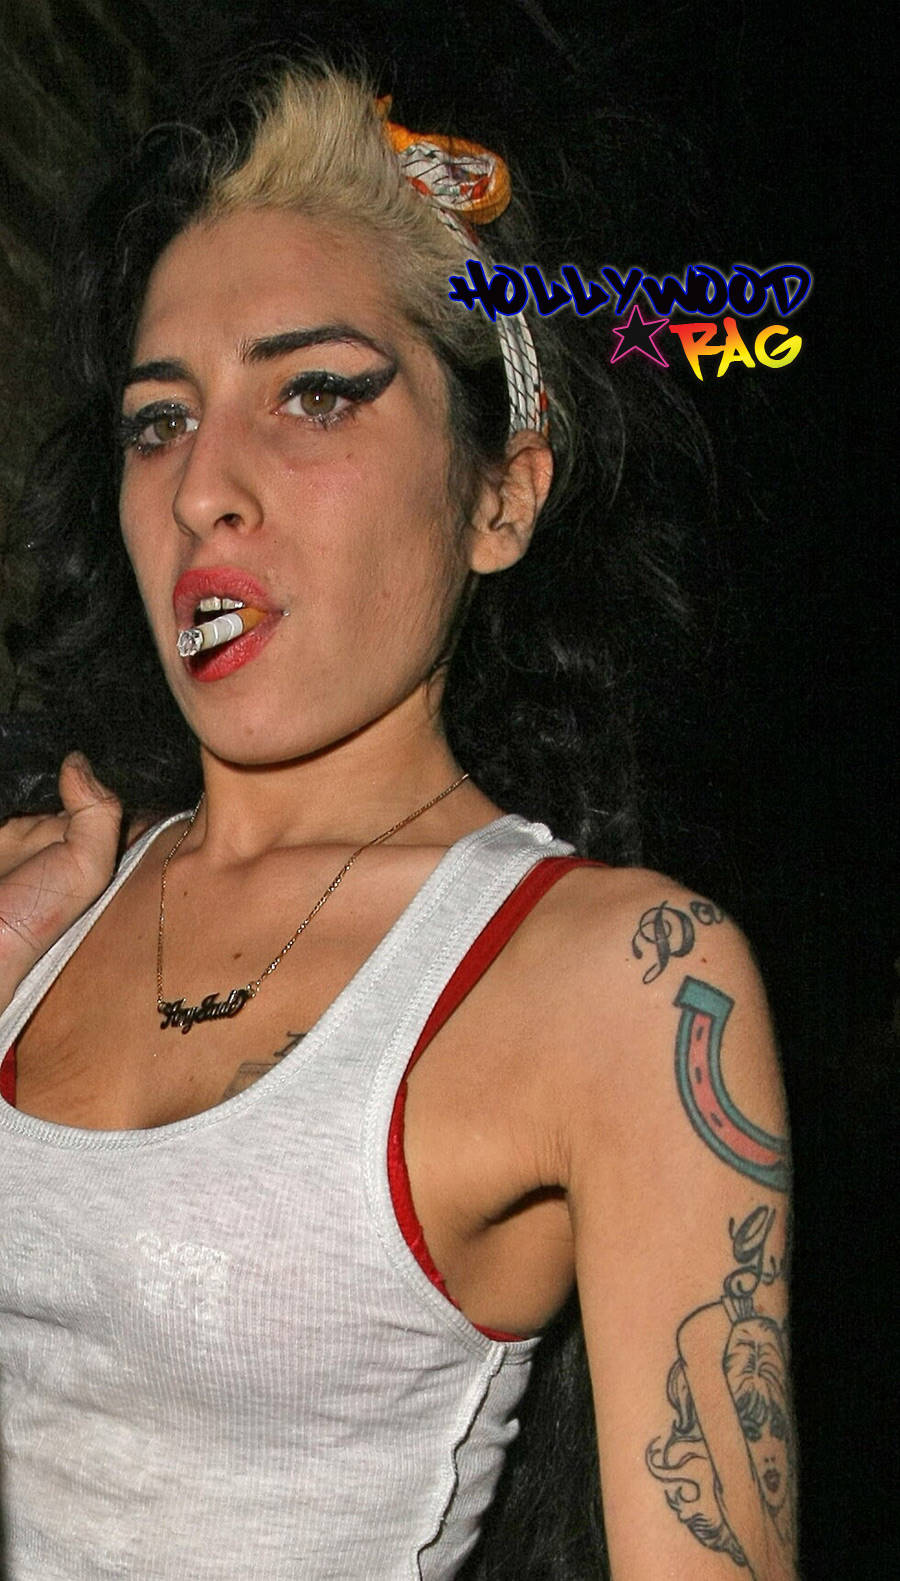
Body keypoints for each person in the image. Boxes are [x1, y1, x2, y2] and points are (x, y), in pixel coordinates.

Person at [0, 62, 797, 1580]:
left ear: (502, 496)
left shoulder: (621, 980)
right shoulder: (43, 894)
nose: (203, 487)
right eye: (159, 420)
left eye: (315, 392)